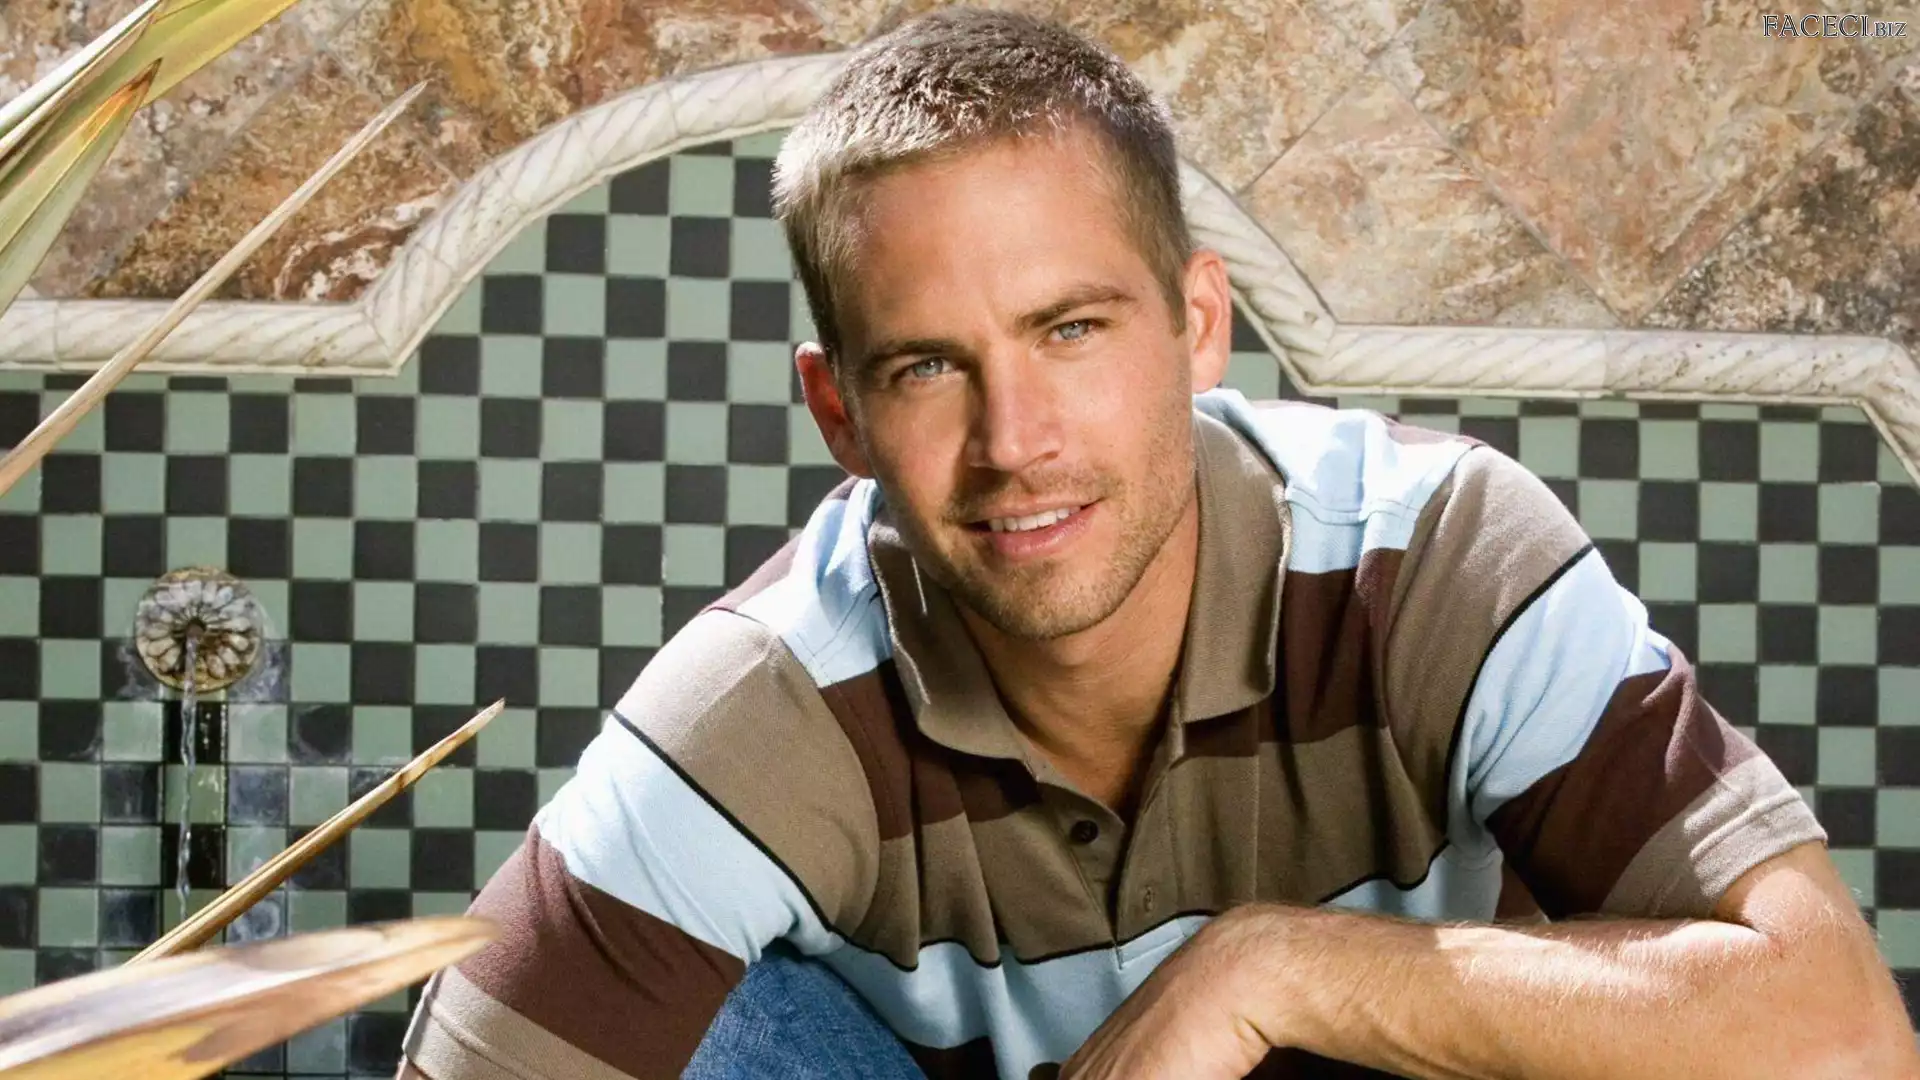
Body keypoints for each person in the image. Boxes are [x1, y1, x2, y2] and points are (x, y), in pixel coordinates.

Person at [395, 8, 1920, 1079]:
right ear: (839, 411)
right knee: (717, 1031)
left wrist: (1268, 969)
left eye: (1070, 329)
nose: (1013, 440)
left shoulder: (1431, 551)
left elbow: (1843, 1037)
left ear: (1197, 325)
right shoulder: (758, 709)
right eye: (926, 366)